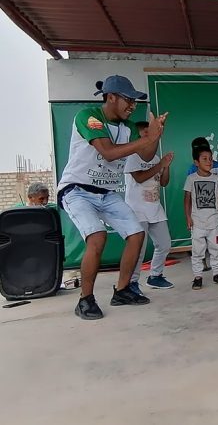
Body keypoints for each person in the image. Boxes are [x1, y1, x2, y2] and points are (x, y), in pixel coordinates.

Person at [57, 75, 166, 320]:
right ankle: (85, 300)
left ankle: (122, 290)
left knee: (137, 234)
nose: (132, 105)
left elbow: (146, 156)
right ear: (112, 97)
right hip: (77, 190)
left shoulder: (126, 129)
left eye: (135, 102)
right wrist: (146, 138)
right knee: (97, 236)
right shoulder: (89, 116)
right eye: (128, 100)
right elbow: (107, 153)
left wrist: (155, 136)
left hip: (106, 193)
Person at [124, 121, 175, 293]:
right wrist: (160, 165)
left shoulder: (154, 158)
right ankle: (131, 282)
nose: (148, 137)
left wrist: (165, 167)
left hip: (155, 208)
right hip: (137, 210)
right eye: (144, 134)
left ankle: (155, 276)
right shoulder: (132, 156)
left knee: (165, 243)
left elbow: (164, 182)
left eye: (150, 133)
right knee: (138, 248)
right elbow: (139, 178)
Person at [184, 147, 218, 289]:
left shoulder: (216, 178)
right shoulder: (191, 178)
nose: (209, 161)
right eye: (204, 159)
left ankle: (217, 273)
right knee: (198, 250)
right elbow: (187, 199)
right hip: (197, 222)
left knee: (216, 248)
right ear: (196, 162)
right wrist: (188, 218)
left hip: (214, 221)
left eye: (210, 158)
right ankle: (198, 276)